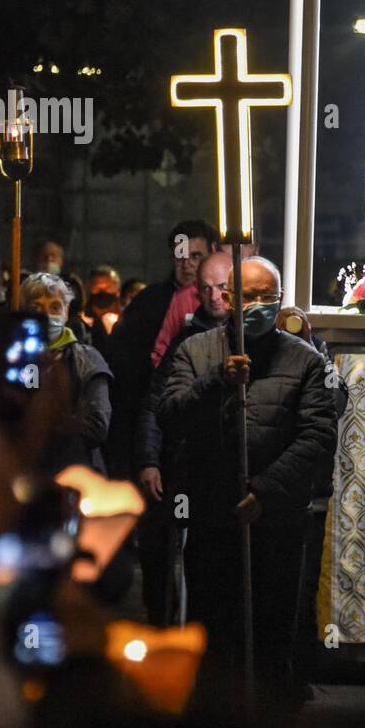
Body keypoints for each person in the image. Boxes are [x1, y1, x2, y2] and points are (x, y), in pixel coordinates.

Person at [157, 258, 337, 706]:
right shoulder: (195, 351)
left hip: (276, 521)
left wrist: (267, 491)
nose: (257, 306)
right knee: (215, 626)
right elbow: (171, 415)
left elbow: (316, 435)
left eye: (267, 297)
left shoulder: (305, 360)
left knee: (272, 628)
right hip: (213, 513)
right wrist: (218, 381)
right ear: (227, 298)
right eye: (249, 296)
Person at [132, 251, 233, 625]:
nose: (214, 296)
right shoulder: (184, 341)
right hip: (186, 467)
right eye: (205, 288)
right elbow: (154, 404)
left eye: (222, 287)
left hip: (231, 474)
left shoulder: (252, 337)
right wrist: (148, 460)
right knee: (172, 559)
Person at [276, 306, 351, 699]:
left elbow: (336, 400)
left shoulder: (315, 349)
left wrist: (307, 346)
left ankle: (295, 677)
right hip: (264, 493)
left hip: (308, 494)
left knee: (302, 590)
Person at [106, 218, 218, 477]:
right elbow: (121, 358)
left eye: (196, 256)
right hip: (145, 415)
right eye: (181, 256)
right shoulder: (147, 301)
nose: (187, 264)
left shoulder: (222, 303)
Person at [19, 273, 112, 474]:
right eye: (36, 308)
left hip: (74, 472)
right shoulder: (14, 359)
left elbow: (97, 424)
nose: (46, 315)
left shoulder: (86, 360)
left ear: (66, 312)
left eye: (55, 307)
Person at [85, 264, 122, 357]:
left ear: (117, 290)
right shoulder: (82, 321)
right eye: (97, 287)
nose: (102, 292)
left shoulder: (125, 320)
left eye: (108, 288)